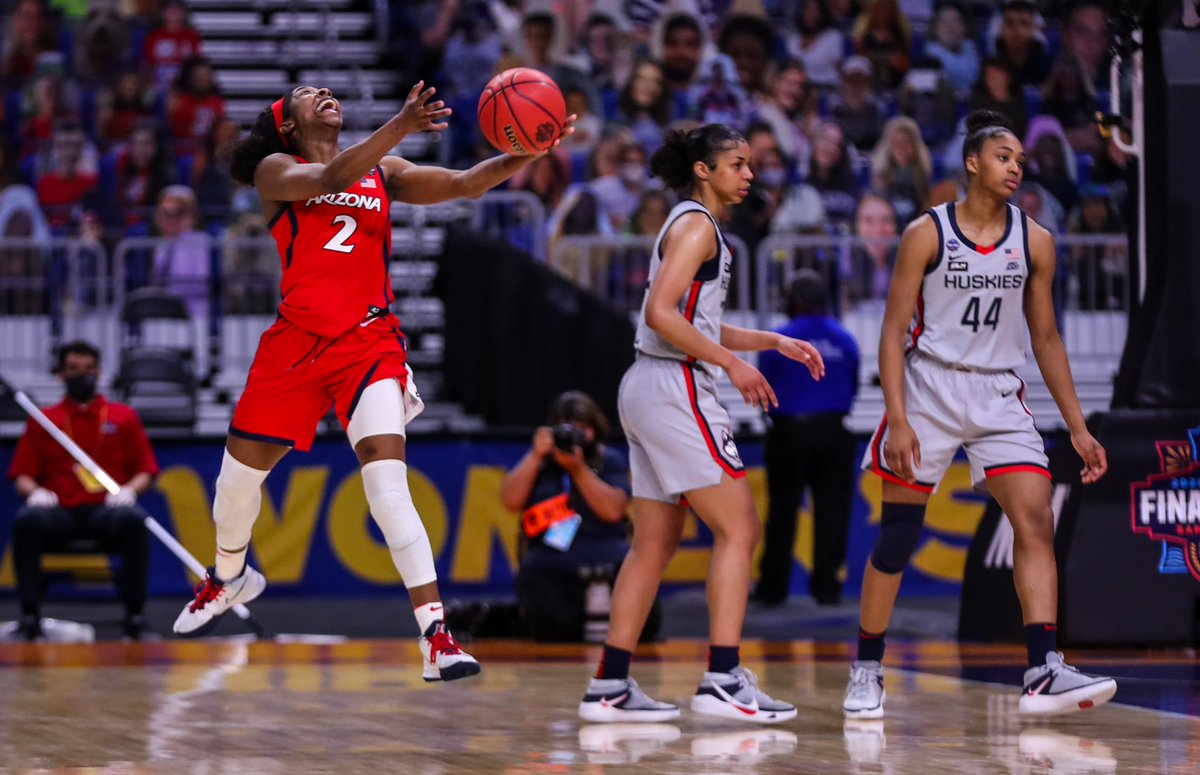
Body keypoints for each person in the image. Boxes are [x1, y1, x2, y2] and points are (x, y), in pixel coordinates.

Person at [170, 80, 575, 686]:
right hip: (295, 345)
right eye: (307, 93)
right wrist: (402, 124)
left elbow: (464, 183)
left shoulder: (383, 171)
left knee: (388, 487)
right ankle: (230, 576)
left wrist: (529, 150)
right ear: (286, 124)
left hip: (366, 342)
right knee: (234, 487)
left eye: (327, 88)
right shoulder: (276, 171)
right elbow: (329, 179)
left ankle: (436, 636)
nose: (324, 93)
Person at [843, 110, 1117, 719]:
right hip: (929, 388)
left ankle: (1044, 668)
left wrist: (1076, 425)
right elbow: (891, 332)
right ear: (973, 163)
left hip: (998, 392)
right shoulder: (926, 233)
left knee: (1035, 520)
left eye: (1020, 158)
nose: (1015, 166)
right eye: (1003, 156)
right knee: (898, 535)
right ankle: (866, 667)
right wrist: (898, 415)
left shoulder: (1035, 240)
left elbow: (1045, 338)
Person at [578, 124, 825, 724]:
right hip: (674, 384)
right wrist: (733, 364)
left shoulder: (694, 226)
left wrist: (770, 341)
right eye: (737, 164)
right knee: (740, 528)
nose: (748, 174)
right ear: (704, 171)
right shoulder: (696, 226)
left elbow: (690, 318)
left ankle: (608, 685)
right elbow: (664, 315)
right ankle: (722, 677)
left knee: (653, 543)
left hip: (647, 384)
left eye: (750, 165)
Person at [7, 341, 159, 641]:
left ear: (100, 372)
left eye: (89, 369)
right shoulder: (44, 420)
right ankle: (29, 615)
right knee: (26, 520)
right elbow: (21, 475)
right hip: (57, 511)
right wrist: (34, 491)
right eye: (74, 369)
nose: (83, 375)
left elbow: (146, 471)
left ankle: (135, 615)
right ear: (61, 375)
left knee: (135, 520)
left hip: (107, 510)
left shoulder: (123, 417)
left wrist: (129, 490)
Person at [500, 391, 661, 643]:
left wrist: (578, 470)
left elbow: (613, 510)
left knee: (646, 620)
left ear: (595, 430)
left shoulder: (609, 460)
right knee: (553, 626)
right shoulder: (540, 464)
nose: (573, 435)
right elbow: (510, 501)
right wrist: (535, 456)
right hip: (549, 558)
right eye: (566, 428)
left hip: (608, 551)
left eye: (582, 428)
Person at [754, 271, 859, 606]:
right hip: (834, 431)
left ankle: (773, 589)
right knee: (832, 513)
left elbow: (763, 385)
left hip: (788, 433)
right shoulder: (845, 339)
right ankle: (827, 588)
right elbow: (852, 384)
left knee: (782, 511)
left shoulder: (778, 339)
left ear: (794, 300)